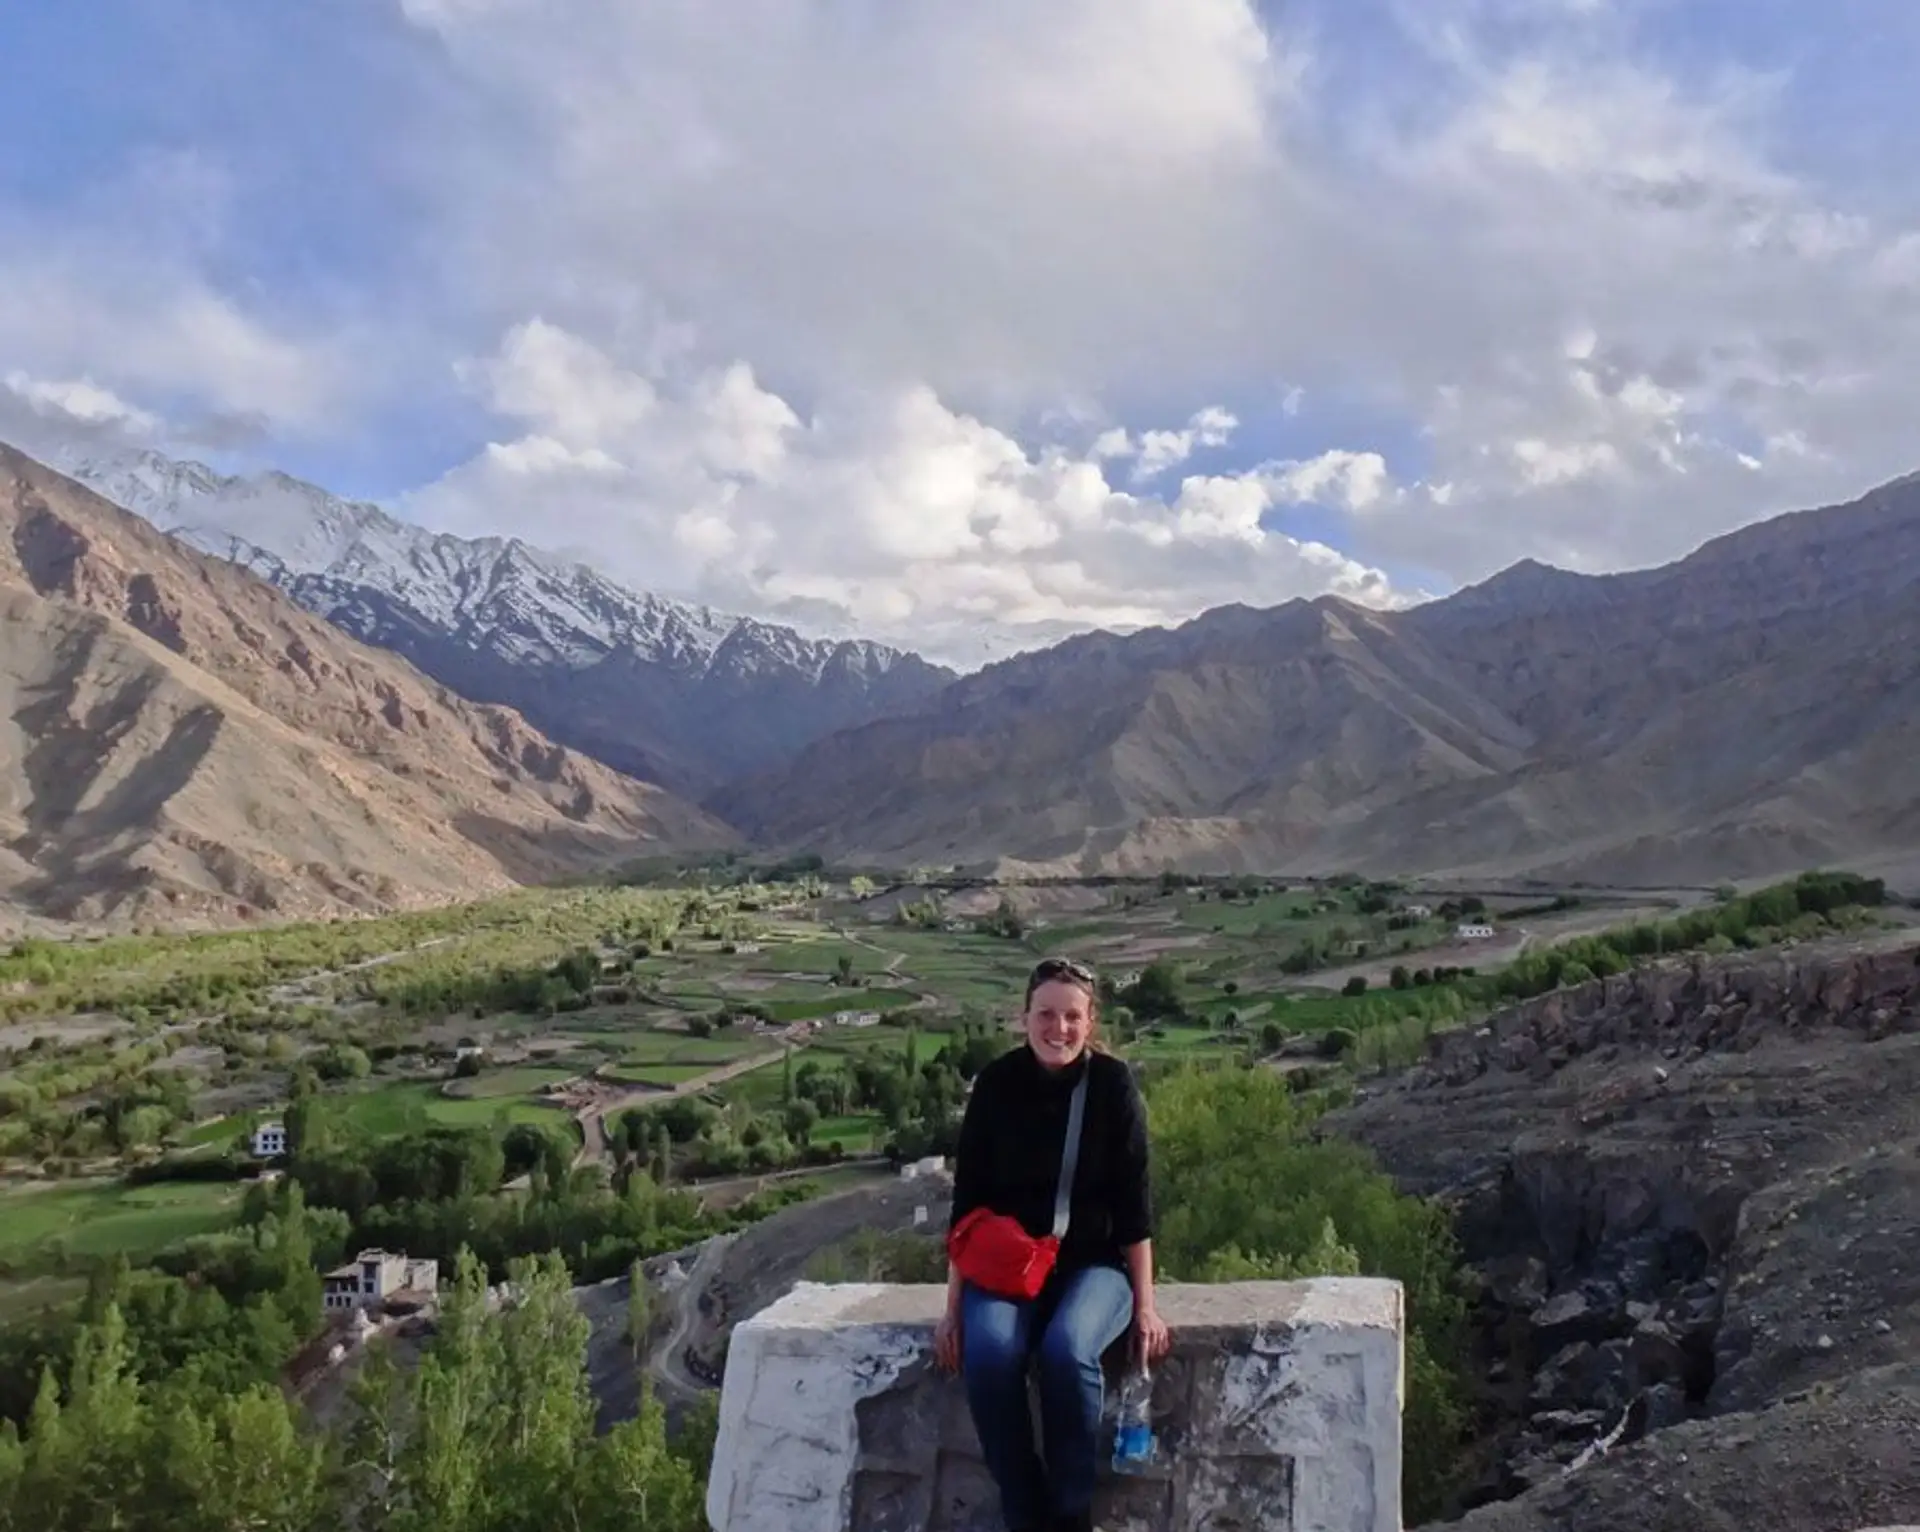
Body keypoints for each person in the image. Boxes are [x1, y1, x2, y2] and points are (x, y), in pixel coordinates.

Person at [933, 955, 1172, 1532]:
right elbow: (968, 1208)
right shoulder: (996, 1085)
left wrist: (1145, 1306)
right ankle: (1024, 1506)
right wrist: (951, 1310)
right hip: (1009, 1268)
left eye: (1072, 1016)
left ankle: (1069, 1512)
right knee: (989, 1356)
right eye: (1046, 1014)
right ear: (1024, 1017)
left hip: (1094, 1267)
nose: (1057, 1029)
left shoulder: (1113, 1087)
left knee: (1068, 1353)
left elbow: (1134, 1209)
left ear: (1091, 1023)